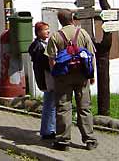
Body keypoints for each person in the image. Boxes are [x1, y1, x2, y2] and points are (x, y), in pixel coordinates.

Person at [46, 9, 98, 151]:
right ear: (72, 19)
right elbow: (91, 55)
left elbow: (51, 59)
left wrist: (56, 74)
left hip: (63, 77)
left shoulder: (56, 36)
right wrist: (91, 75)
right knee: (84, 108)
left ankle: (63, 141)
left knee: (63, 108)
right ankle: (90, 140)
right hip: (82, 76)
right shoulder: (83, 33)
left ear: (60, 21)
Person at [28, 21, 56, 140]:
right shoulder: (39, 47)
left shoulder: (41, 44)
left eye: (48, 29)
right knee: (50, 104)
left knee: (50, 103)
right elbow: (45, 64)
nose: (48, 31)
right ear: (39, 32)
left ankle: (49, 129)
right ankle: (48, 131)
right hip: (47, 79)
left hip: (46, 79)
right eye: (45, 29)